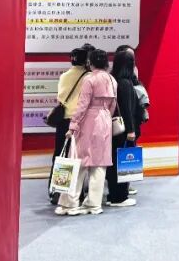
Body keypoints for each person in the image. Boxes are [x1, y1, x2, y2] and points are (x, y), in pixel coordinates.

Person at [57, 48, 117, 217]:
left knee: (78, 161)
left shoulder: (89, 79)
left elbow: (82, 105)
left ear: (91, 62)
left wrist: (73, 126)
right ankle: (94, 204)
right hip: (105, 119)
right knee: (99, 163)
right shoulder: (112, 80)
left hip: (88, 121)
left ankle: (70, 204)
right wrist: (105, 117)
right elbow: (113, 105)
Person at [48, 44, 91, 205]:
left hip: (63, 121)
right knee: (77, 158)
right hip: (80, 121)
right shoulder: (88, 77)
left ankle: (57, 191)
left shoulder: (64, 76)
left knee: (61, 155)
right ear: (86, 60)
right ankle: (75, 193)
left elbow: (60, 97)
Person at [105, 48, 142, 208]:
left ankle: (113, 194)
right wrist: (131, 130)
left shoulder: (112, 80)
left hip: (113, 128)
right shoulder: (126, 83)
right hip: (124, 130)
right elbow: (127, 109)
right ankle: (119, 197)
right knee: (123, 163)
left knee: (113, 162)